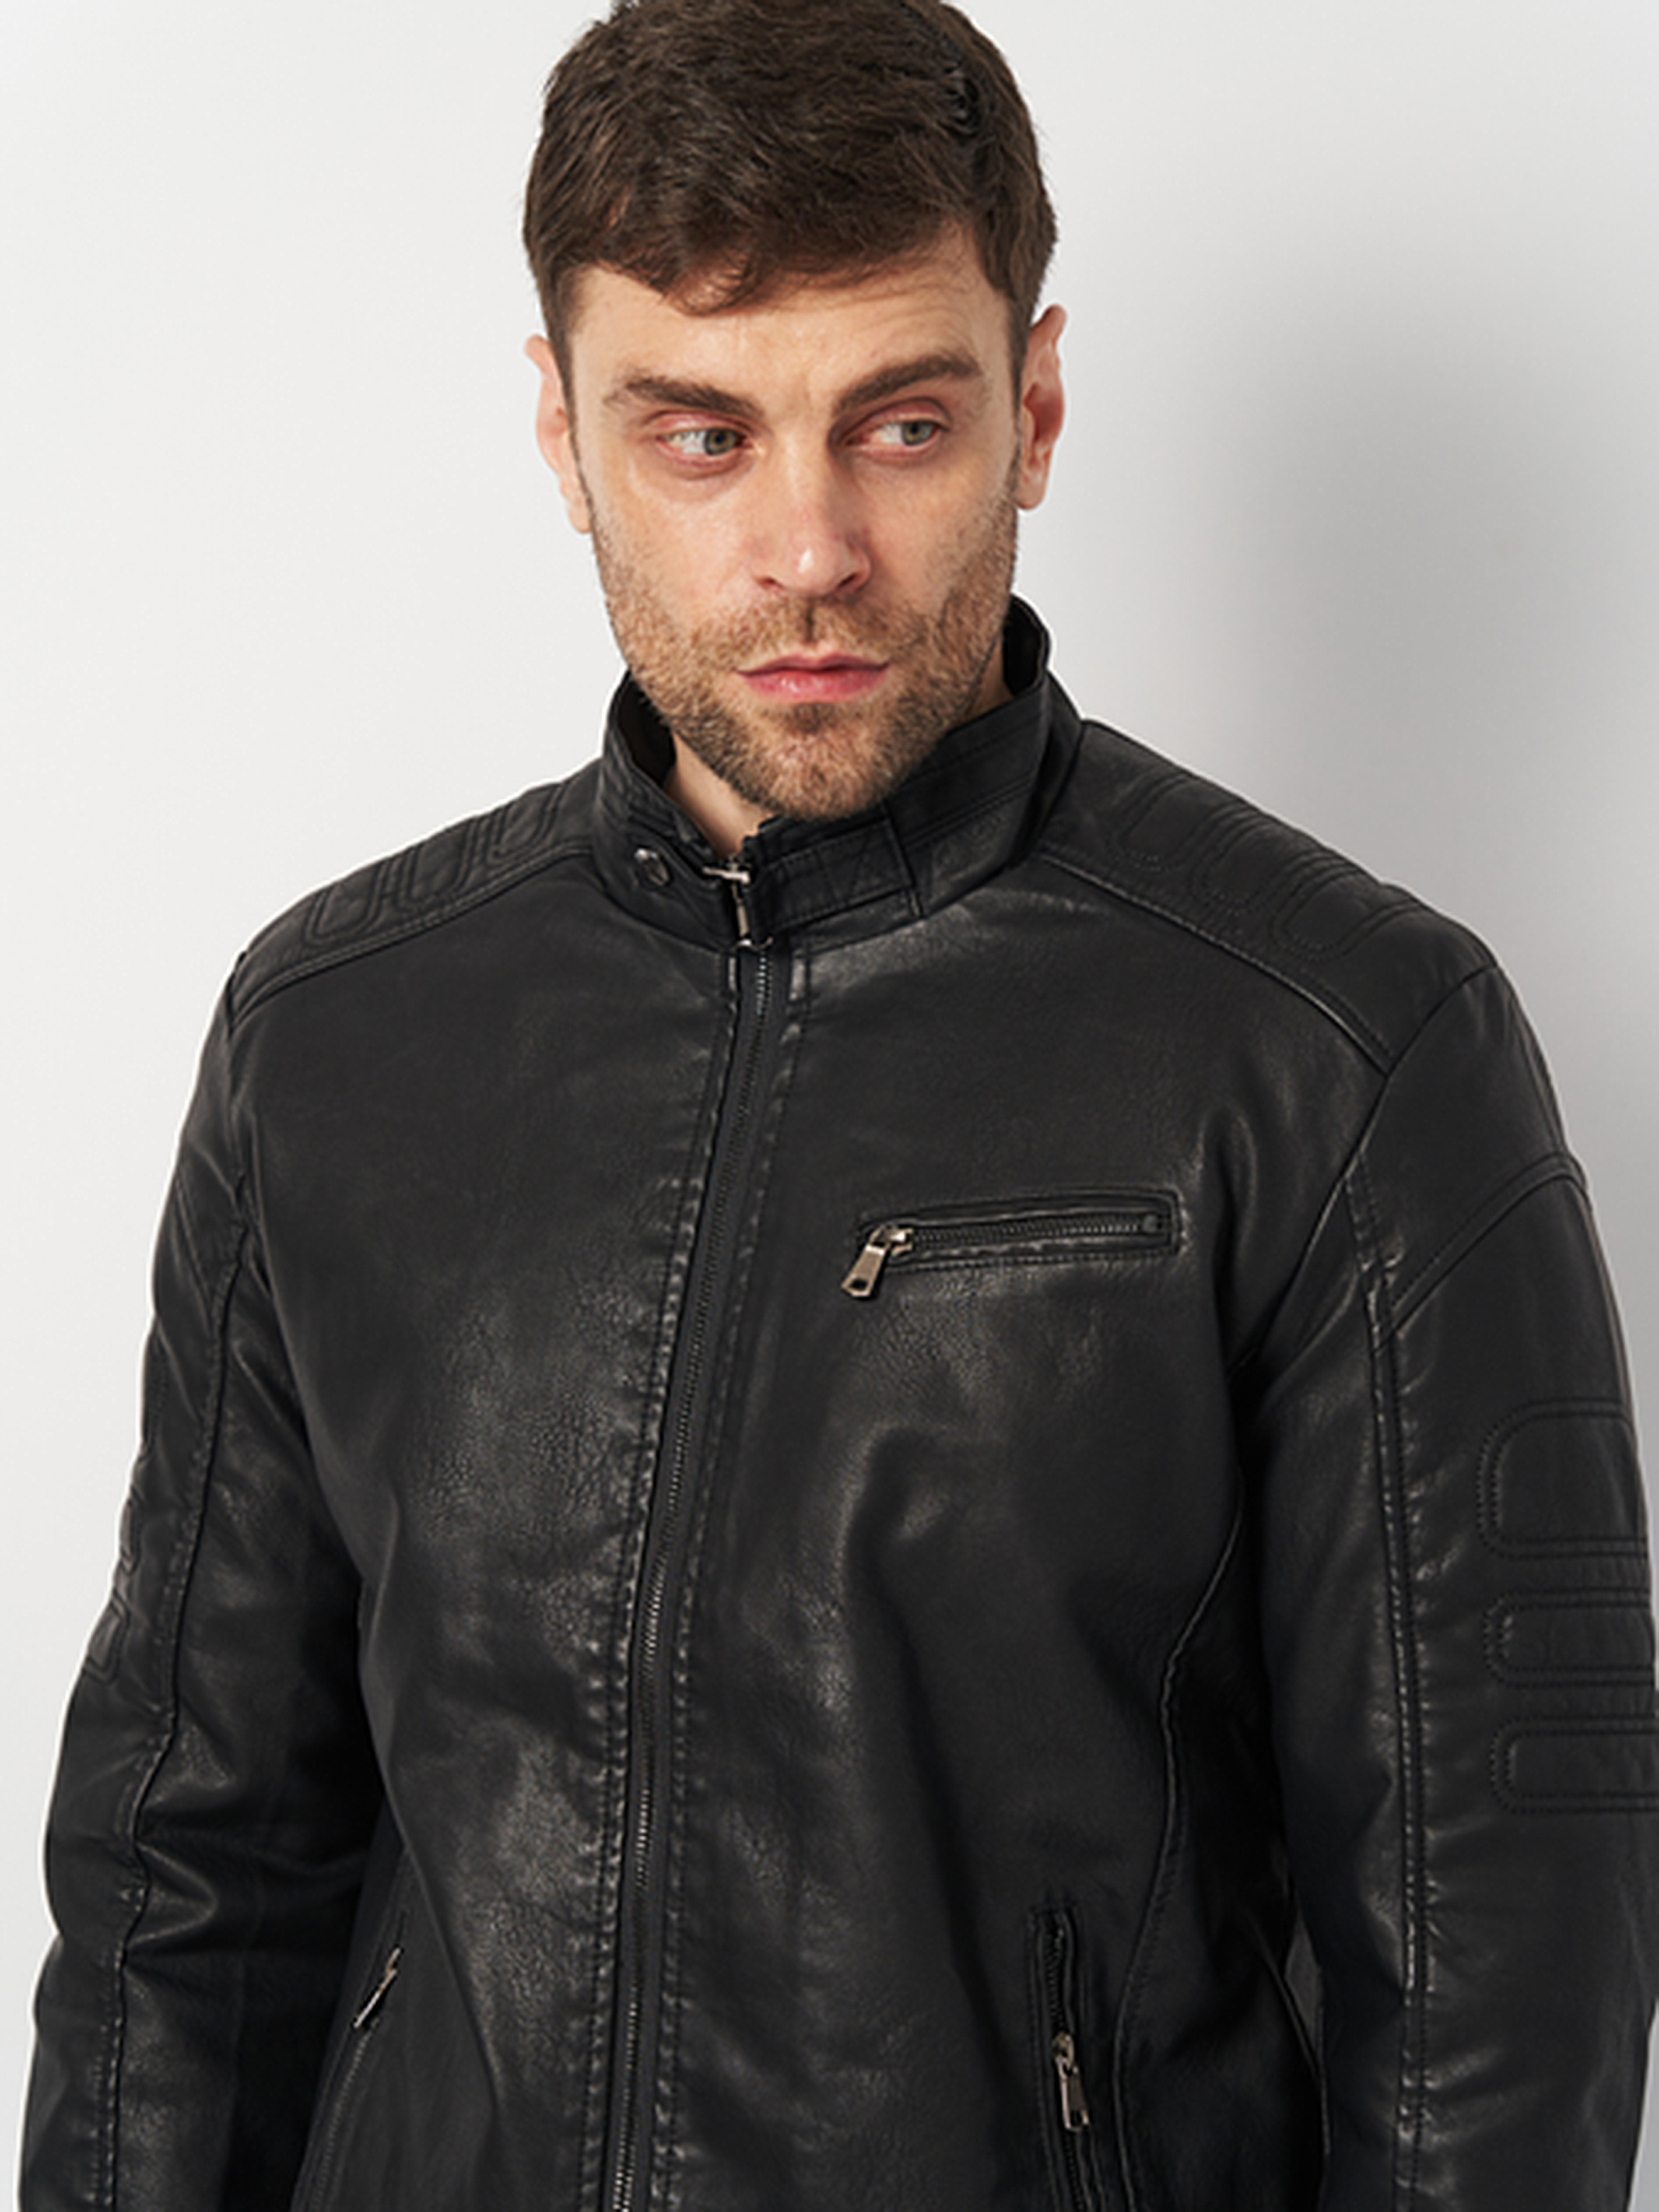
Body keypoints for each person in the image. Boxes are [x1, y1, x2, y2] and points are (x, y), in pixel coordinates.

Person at [22, 0, 1659, 2205]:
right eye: (699, 435)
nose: (806, 549)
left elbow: (1493, 1990)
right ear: (562, 429)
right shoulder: (335, 1033)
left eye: (896, 423)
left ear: (1033, 407)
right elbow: (185, 1879)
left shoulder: (1339, 1046)